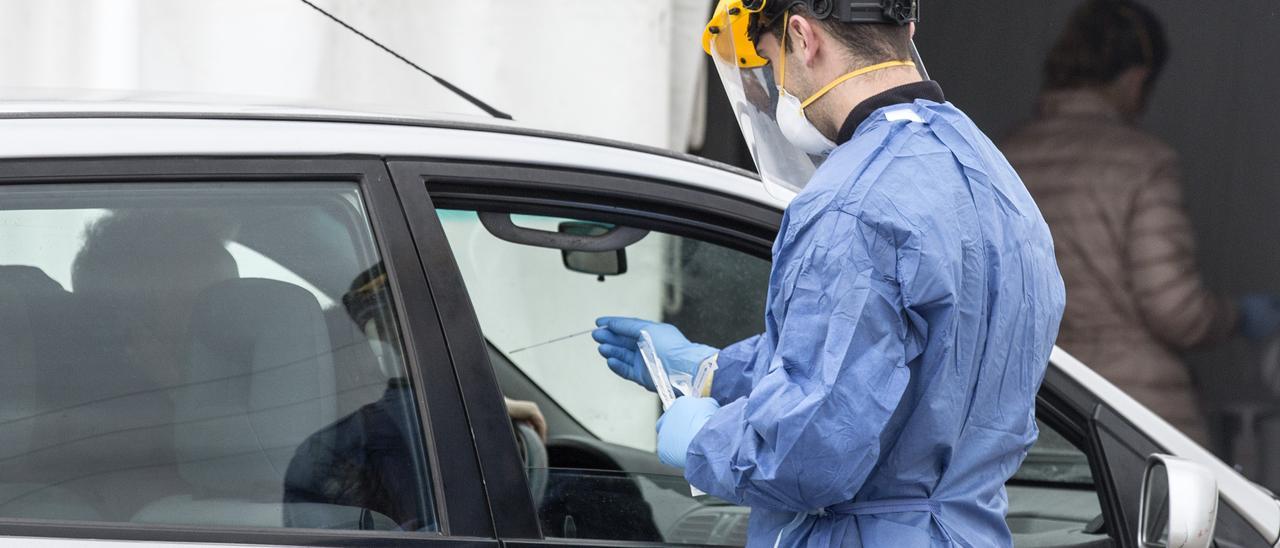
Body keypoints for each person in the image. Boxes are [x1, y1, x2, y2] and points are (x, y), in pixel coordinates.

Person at [594, 1, 1065, 545]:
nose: (774, 84)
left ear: (801, 36)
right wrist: (712, 372)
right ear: (905, 27)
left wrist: (705, 437)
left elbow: (808, 456)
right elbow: (909, 371)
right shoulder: (992, 176)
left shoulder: (852, 204)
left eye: (768, 59)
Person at [1001, 0, 1280, 443]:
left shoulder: (1003, 157)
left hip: (1037, 401)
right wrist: (1238, 317)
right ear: (1136, 78)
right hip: (1134, 410)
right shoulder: (1143, 162)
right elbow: (1175, 309)